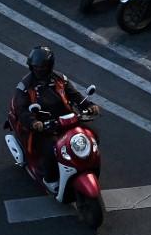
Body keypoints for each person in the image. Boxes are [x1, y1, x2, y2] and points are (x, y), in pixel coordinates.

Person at [11, 46, 100, 189]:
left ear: (49, 66)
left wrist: (89, 106)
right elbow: (21, 110)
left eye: (42, 67)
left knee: (93, 136)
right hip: (44, 127)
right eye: (36, 67)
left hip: (67, 120)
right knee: (50, 150)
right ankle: (50, 178)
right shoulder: (25, 86)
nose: (38, 69)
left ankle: (85, 165)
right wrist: (34, 122)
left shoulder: (60, 79)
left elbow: (75, 95)